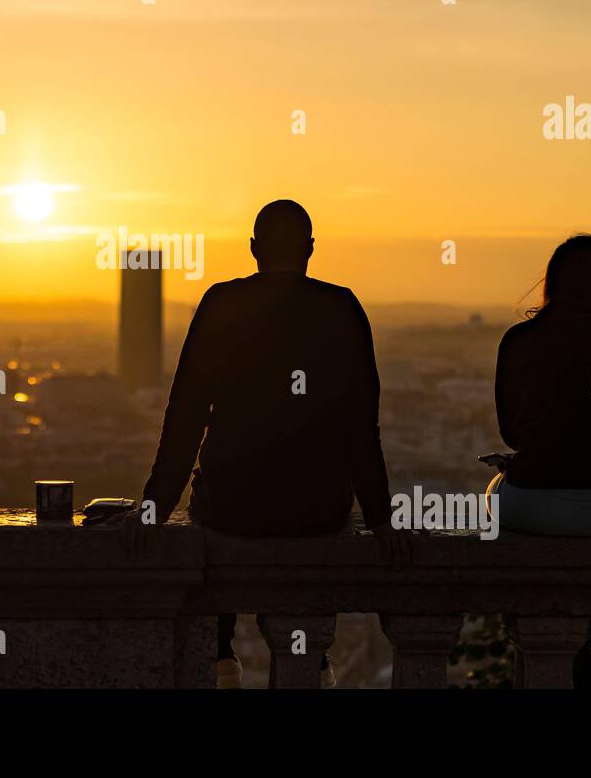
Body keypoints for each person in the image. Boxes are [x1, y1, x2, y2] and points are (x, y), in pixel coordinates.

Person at [119, 199, 410, 688]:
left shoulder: (221, 304)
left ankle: (220, 657)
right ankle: (311, 665)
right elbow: (361, 428)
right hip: (315, 510)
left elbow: (186, 417)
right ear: (311, 250)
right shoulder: (342, 308)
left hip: (232, 506)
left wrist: (153, 507)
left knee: (211, 500)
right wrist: (381, 519)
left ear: (253, 249)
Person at [487, 234, 591, 536]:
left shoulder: (520, 341)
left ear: (553, 284)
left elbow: (512, 435)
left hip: (532, 504)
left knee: (494, 489)